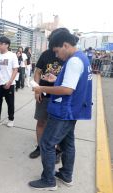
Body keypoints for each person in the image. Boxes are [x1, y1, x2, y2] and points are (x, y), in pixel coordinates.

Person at [29, 30, 92, 190]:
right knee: (67, 143)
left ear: (65, 45)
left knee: (47, 143)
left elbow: (67, 90)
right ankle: (66, 174)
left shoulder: (73, 61)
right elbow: (73, 84)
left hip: (64, 110)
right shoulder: (82, 58)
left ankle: (48, 180)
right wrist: (56, 80)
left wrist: (41, 87)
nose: (56, 55)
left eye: (57, 51)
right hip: (73, 110)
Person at [29, 29, 66, 161]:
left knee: (57, 125)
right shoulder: (45, 54)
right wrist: (37, 89)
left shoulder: (67, 56)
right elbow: (38, 72)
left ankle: (56, 150)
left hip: (60, 96)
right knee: (41, 122)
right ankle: (40, 147)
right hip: (44, 95)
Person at [0, 36, 18, 128]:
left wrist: (10, 82)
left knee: (10, 103)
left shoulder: (12, 55)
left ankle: (11, 119)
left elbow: (15, 70)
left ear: (7, 45)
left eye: (1, 44)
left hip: (9, 84)